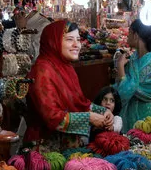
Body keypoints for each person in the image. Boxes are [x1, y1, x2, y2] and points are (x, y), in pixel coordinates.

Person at [25, 20, 113, 151]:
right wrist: (89, 118)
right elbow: (53, 117)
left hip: (68, 146)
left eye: (78, 39)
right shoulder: (42, 71)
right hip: (46, 150)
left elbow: (79, 102)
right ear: (53, 42)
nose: (76, 45)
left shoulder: (66, 67)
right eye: (69, 39)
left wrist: (103, 111)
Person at [114, 19, 151, 132]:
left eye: (129, 32)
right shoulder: (134, 57)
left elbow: (127, 90)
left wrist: (120, 67)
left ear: (135, 35)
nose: (127, 36)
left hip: (143, 115)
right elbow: (123, 83)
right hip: (128, 113)